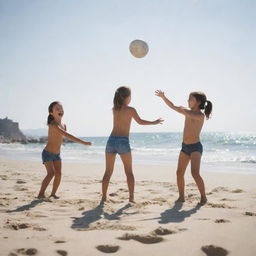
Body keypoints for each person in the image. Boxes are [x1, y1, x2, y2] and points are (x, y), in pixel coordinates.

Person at [102, 86, 164, 203]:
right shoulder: (130, 110)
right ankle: (131, 198)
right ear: (127, 97)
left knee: (108, 172)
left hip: (111, 141)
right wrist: (154, 122)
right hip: (123, 141)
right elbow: (140, 122)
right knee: (129, 172)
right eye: (130, 96)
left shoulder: (114, 109)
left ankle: (104, 197)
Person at [155, 90, 212, 205]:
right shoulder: (187, 111)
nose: (188, 101)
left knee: (195, 173)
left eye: (191, 99)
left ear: (198, 102)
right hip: (185, 147)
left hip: (195, 147)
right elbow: (172, 106)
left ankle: (203, 197)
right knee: (179, 172)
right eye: (188, 99)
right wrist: (163, 97)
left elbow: (188, 113)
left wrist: (182, 109)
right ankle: (181, 197)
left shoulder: (200, 115)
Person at [37, 101, 91, 199]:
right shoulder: (53, 124)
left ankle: (53, 193)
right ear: (51, 113)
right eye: (57, 109)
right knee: (51, 173)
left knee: (59, 174)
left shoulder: (64, 125)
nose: (60, 110)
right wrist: (84, 142)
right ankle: (41, 193)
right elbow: (67, 135)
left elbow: (61, 139)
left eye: (61, 108)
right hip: (47, 153)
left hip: (57, 154)